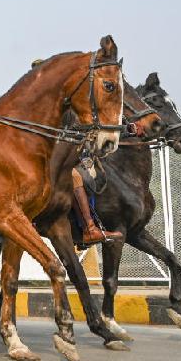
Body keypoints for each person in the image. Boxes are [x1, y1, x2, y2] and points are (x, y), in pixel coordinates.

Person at [30, 59, 122, 245]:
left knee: (92, 174)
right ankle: (89, 228)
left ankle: (87, 225)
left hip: (67, 154)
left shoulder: (63, 100)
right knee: (74, 177)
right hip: (40, 157)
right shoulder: (35, 101)